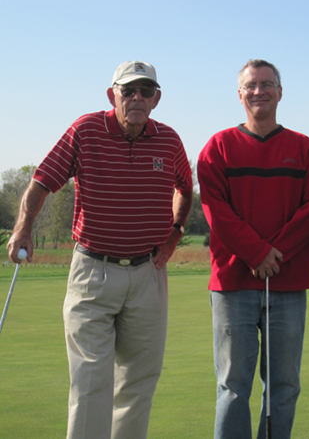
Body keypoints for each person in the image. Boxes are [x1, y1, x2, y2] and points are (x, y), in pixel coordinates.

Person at [6, 61, 194, 439]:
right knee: (92, 382)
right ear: (113, 95)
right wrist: (23, 229)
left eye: (146, 90)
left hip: (147, 274)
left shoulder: (169, 140)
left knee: (139, 381)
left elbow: (185, 190)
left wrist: (174, 234)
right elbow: (42, 181)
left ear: (156, 99)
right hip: (92, 271)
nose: (137, 97)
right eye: (129, 91)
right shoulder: (85, 129)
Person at [197, 59, 309, 439]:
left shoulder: (304, 149)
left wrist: (275, 253)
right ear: (240, 94)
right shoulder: (218, 147)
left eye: (267, 84)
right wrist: (257, 253)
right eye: (251, 85)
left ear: (280, 92)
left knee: (284, 385)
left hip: (287, 284)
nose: (259, 91)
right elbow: (215, 210)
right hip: (233, 284)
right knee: (234, 385)